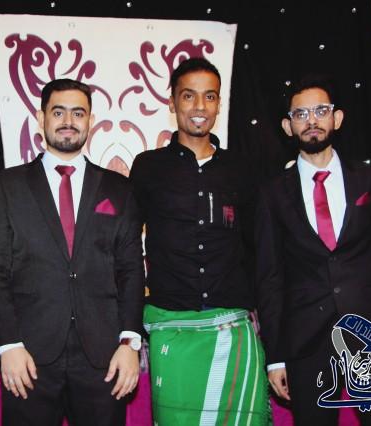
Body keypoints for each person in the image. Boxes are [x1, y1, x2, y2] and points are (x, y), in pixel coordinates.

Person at [255, 74, 371, 425]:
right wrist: (275, 357)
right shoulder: (271, 194)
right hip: (306, 343)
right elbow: (270, 279)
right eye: (301, 114)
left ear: (337, 118)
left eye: (321, 111)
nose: (312, 121)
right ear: (288, 126)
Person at [0, 78, 145, 426]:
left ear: (90, 121)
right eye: (58, 112)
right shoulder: (8, 186)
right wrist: (9, 344)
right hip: (27, 356)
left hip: (103, 358)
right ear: (41, 119)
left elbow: (130, 269)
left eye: (78, 113)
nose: (68, 121)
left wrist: (130, 343)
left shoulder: (120, 188)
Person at [129, 57, 269, 425]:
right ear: (172, 102)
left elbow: (260, 249)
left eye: (209, 96)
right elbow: (126, 247)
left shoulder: (242, 169)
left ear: (219, 103)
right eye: (189, 96)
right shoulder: (148, 167)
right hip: (171, 327)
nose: (200, 107)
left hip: (233, 328)